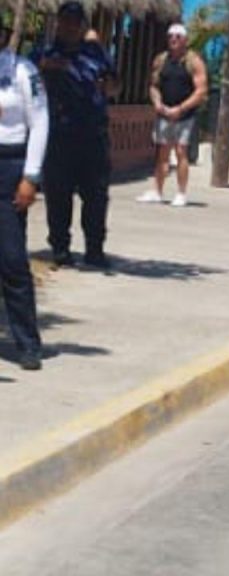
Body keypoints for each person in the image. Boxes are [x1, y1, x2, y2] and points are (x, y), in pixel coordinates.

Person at [34, 1, 120, 269]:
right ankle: (60, 248)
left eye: (75, 21)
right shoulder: (44, 52)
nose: (70, 26)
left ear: (82, 25)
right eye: (65, 21)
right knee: (58, 195)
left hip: (93, 135)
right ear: (58, 23)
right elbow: (27, 78)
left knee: (96, 196)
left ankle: (95, 249)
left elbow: (115, 85)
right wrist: (47, 66)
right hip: (58, 135)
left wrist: (109, 86)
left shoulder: (95, 52)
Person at [0, 20, 48, 370]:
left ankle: (28, 343)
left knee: (12, 260)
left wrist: (31, 176)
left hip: (9, 165)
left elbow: (40, 122)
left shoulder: (22, 71)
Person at [138, 23, 207, 207]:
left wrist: (181, 109)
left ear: (185, 40)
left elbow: (201, 91)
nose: (173, 39)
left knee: (181, 151)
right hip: (164, 113)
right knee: (162, 153)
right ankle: (157, 191)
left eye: (177, 36)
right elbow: (154, 86)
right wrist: (157, 103)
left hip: (185, 115)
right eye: (170, 36)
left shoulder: (194, 62)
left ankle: (181, 193)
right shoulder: (161, 60)